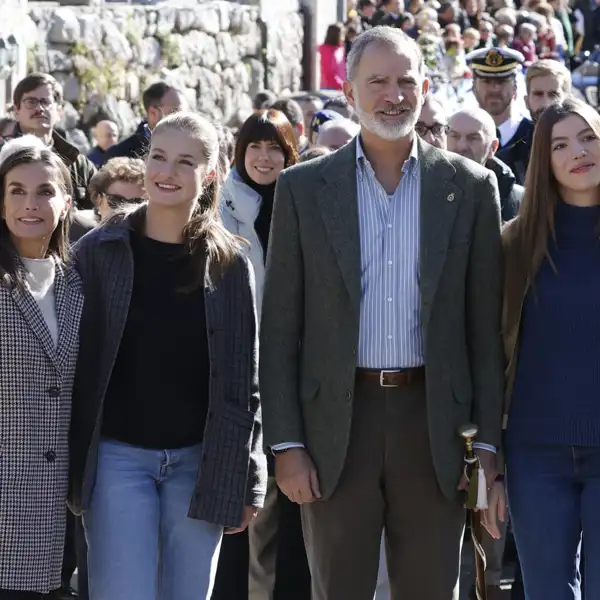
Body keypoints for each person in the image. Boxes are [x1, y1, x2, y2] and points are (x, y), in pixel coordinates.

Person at [260, 26, 505, 600]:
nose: (394, 95)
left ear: (425, 86)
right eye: (378, 81)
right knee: (339, 588)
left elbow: (484, 333)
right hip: (334, 429)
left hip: (437, 427)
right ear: (349, 91)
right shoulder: (302, 189)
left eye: (405, 81)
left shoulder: (469, 188)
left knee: (427, 589)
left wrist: (489, 447)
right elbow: (279, 330)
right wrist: (287, 443)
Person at [68, 112, 266, 600]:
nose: (167, 172)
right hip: (117, 459)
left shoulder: (230, 263)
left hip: (202, 463)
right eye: (158, 157)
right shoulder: (98, 251)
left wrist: (249, 476)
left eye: (184, 161)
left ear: (211, 174)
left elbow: (245, 377)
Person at [500, 97, 600, 600]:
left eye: (588, 137)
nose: (578, 152)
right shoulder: (513, 246)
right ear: (545, 160)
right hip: (534, 454)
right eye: (560, 144)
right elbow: (490, 353)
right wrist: (488, 462)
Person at [219, 110, 310, 600]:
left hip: (295, 371)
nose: (264, 157)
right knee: (239, 505)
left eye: (275, 147)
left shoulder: (307, 203)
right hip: (238, 370)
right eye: (255, 146)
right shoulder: (219, 207)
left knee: (292, 509)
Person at [0, 136, 83, 599]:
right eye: (17, 191)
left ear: (67, 202)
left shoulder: (79, 281)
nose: (31, 204)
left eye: (45, 191)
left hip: (64, 509)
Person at [9, 73, 96, 210]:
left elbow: (101, 209)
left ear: (59, 111)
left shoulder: (78, 164)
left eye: (46, 102)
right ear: (16, 111)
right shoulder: (4, 157)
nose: (39, 108)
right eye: (31, 102)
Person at [498, 58, 571, 184]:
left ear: (569, 100)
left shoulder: (587, 150)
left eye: (553, 94)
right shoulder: (507, 161)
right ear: (527, 101)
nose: (545, 103)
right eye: (538, 94)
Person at [448, 107, 522, 222]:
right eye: (454, 136)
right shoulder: (424, 190)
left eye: (473, 138)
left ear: (493, 147)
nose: (461, 146)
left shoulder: (519, 202)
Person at [99, 82, 187, 166]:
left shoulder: (192, 149)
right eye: (175, 112)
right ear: (153, 113)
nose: (183, 118)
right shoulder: (120, 155)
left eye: (185, 113)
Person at [466, 47, 531, 150]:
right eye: (486, 81)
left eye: (502, 81)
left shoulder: (533, 135)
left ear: (515, 87)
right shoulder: (461, 136)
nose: (494, 89)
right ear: (473, 87)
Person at [319, 24, 347, 91]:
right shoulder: (326, 51)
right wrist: (342, 85)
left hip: (340, 87)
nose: (344, 37)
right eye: (342, 34)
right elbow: (329, 73)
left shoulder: (340, 49)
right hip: (329, 88)